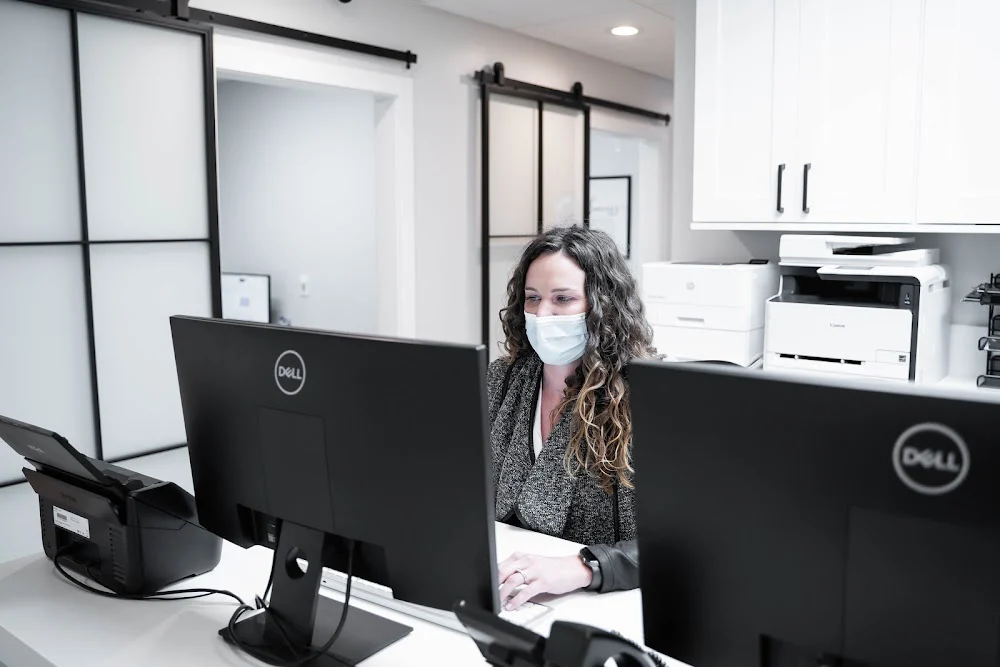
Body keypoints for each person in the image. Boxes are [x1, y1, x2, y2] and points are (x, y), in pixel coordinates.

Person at [489, 225, 657, 611]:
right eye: (533, 298)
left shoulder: (643, 396)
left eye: (562, 299)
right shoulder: (504, 378)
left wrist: (585, 566)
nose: (542, 314)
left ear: (602, 305)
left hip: (603, 600)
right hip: (509, 585)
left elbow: (682, 545)